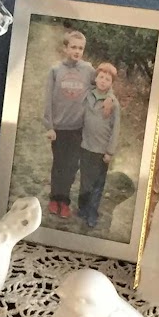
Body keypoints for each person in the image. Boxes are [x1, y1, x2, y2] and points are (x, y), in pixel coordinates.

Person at [42, 28, 94, 219]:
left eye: (80, 48)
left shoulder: (88, 70)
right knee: (59, 164)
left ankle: (64, 201)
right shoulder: (56, 71)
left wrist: (108, 101)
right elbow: (48, 99)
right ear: (65, 48)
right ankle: (54, 198)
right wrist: (49, 126)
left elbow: (101, 89)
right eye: (73, 47)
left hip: (78, 128)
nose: (77, 51)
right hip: (60, 128)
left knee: (72, 166)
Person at [76, 62, 122, 228]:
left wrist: (110, 151)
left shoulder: (113, 103)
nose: (103, 81)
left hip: (101, 150)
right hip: (85, 146)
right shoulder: (88, 95)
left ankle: (92, 213)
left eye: (107, 79)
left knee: (97, 184)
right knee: (85, 180)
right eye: (101, 77)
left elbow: (116, 129)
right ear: (95, 78)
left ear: (112, 83)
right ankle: (82, 207)